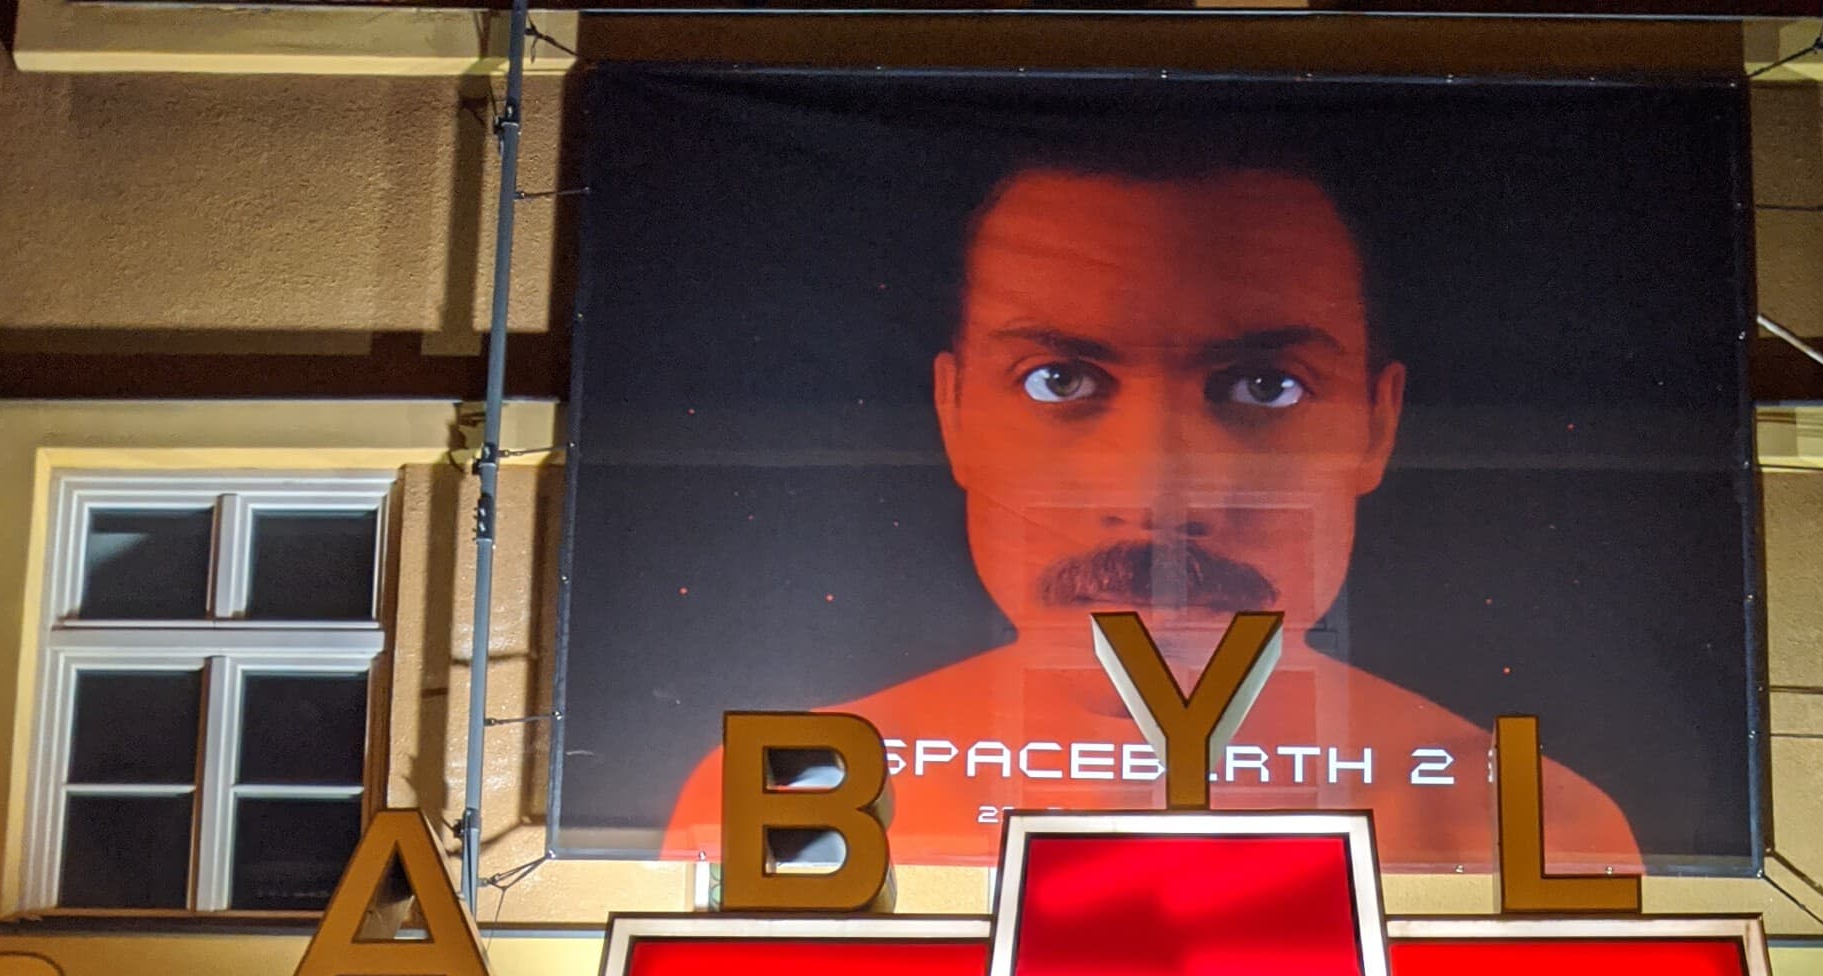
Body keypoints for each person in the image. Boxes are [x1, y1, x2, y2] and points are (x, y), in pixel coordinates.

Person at [665, 150, 1639, 874]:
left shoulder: (1544, 829)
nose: (1157, 498)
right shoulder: (775, 800)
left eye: (1264, 386)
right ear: (953, 415)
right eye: (1059, 380)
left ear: (1378, 425)